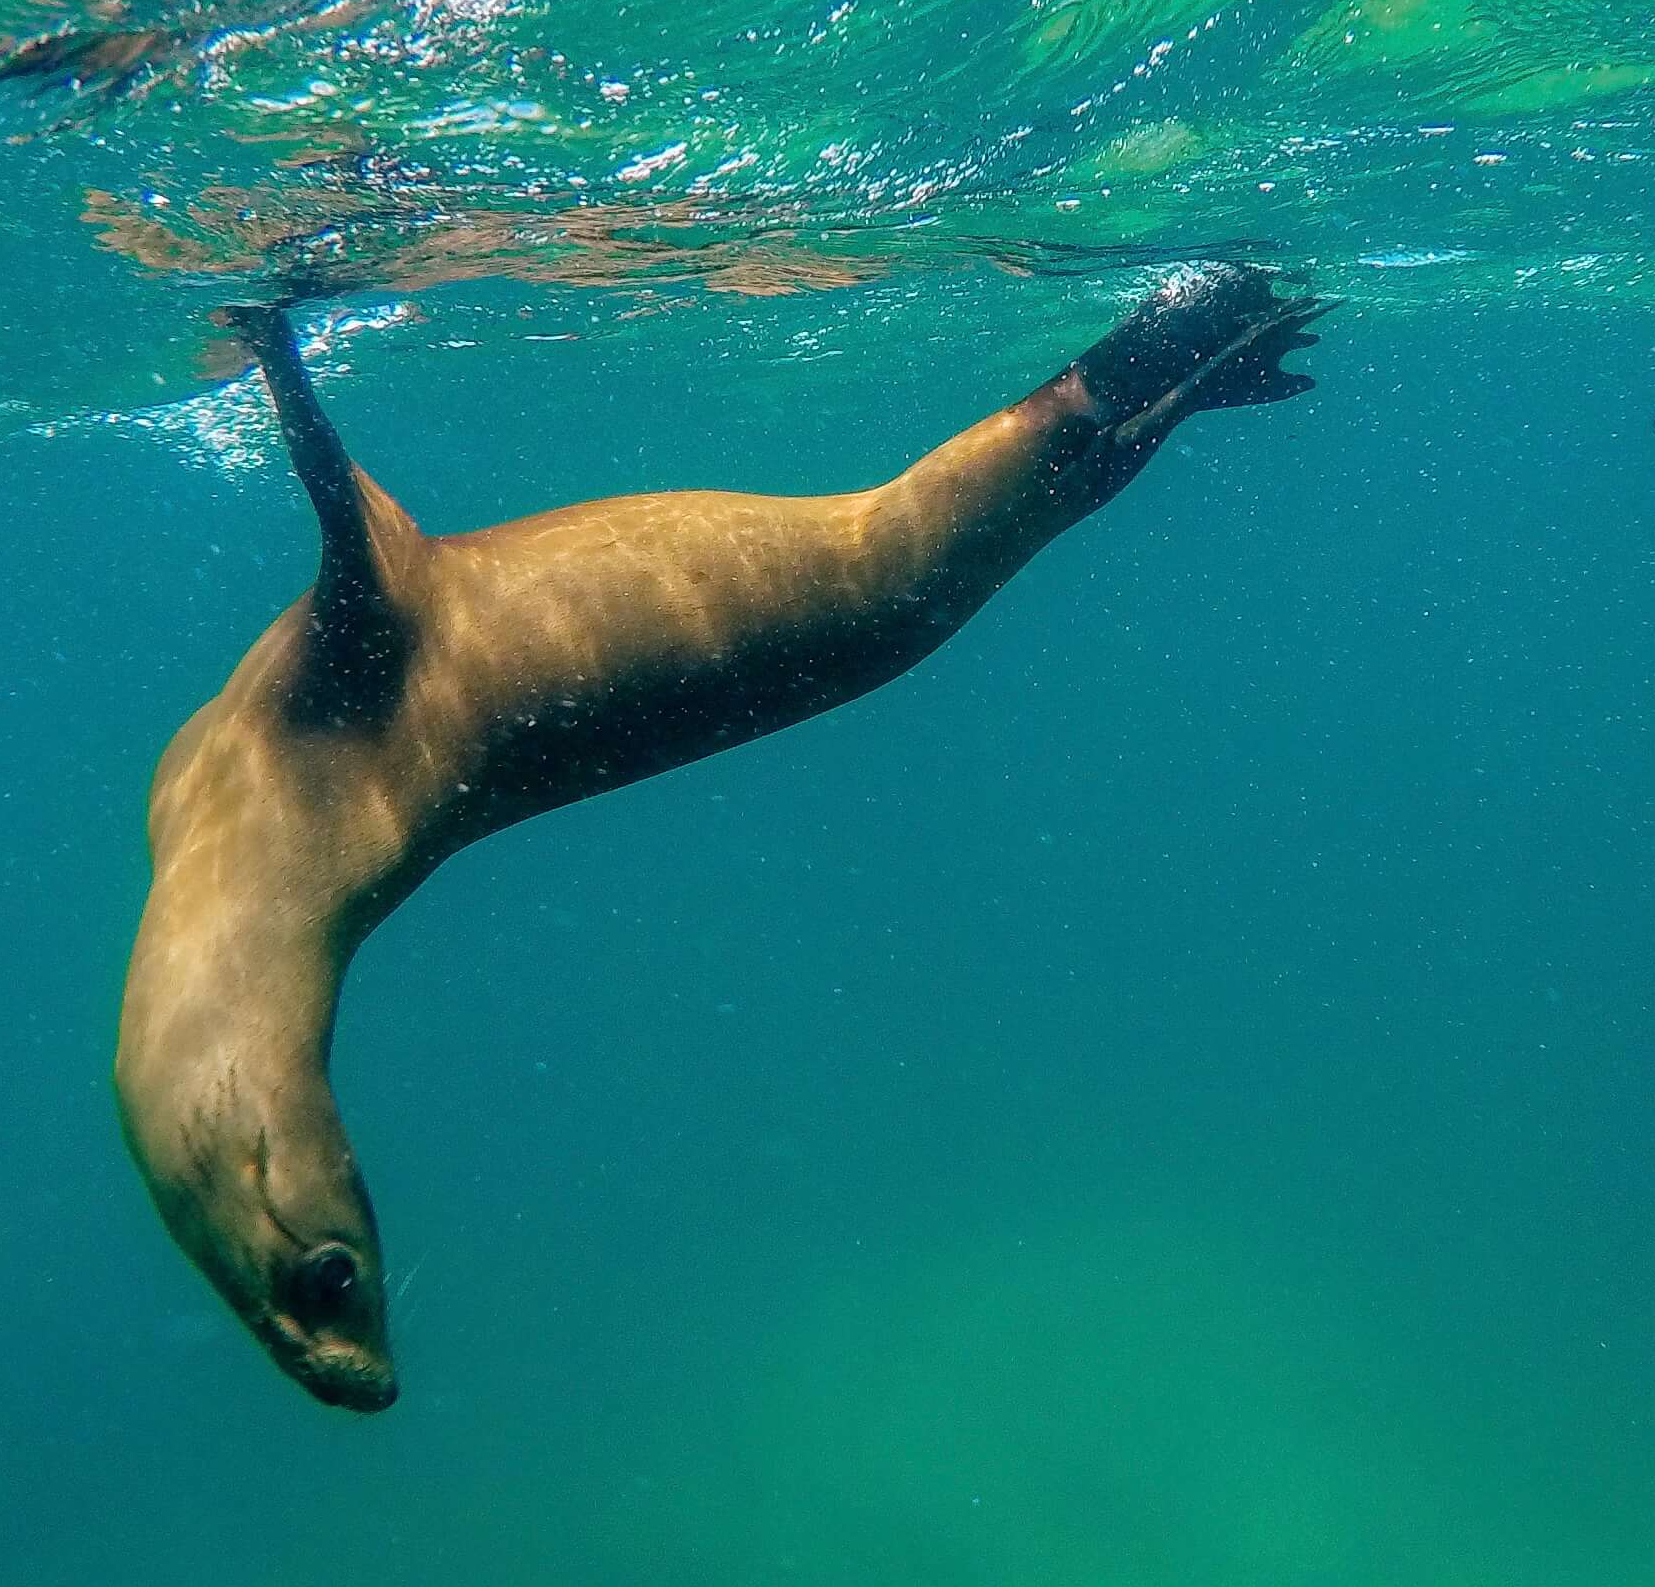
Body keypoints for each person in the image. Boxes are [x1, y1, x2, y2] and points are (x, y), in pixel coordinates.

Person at [117, 264, 1324, 1410]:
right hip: (792, 625)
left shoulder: (287, 805)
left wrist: (280, 345)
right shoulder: (314, 812)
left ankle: (1166, 360)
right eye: (323, 1282)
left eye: (331, 1283)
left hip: (786, 621)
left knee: (912, 565)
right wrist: (276, 344)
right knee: (914, 570)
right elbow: (372, 576)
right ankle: (1169, 361)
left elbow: (374, 589)